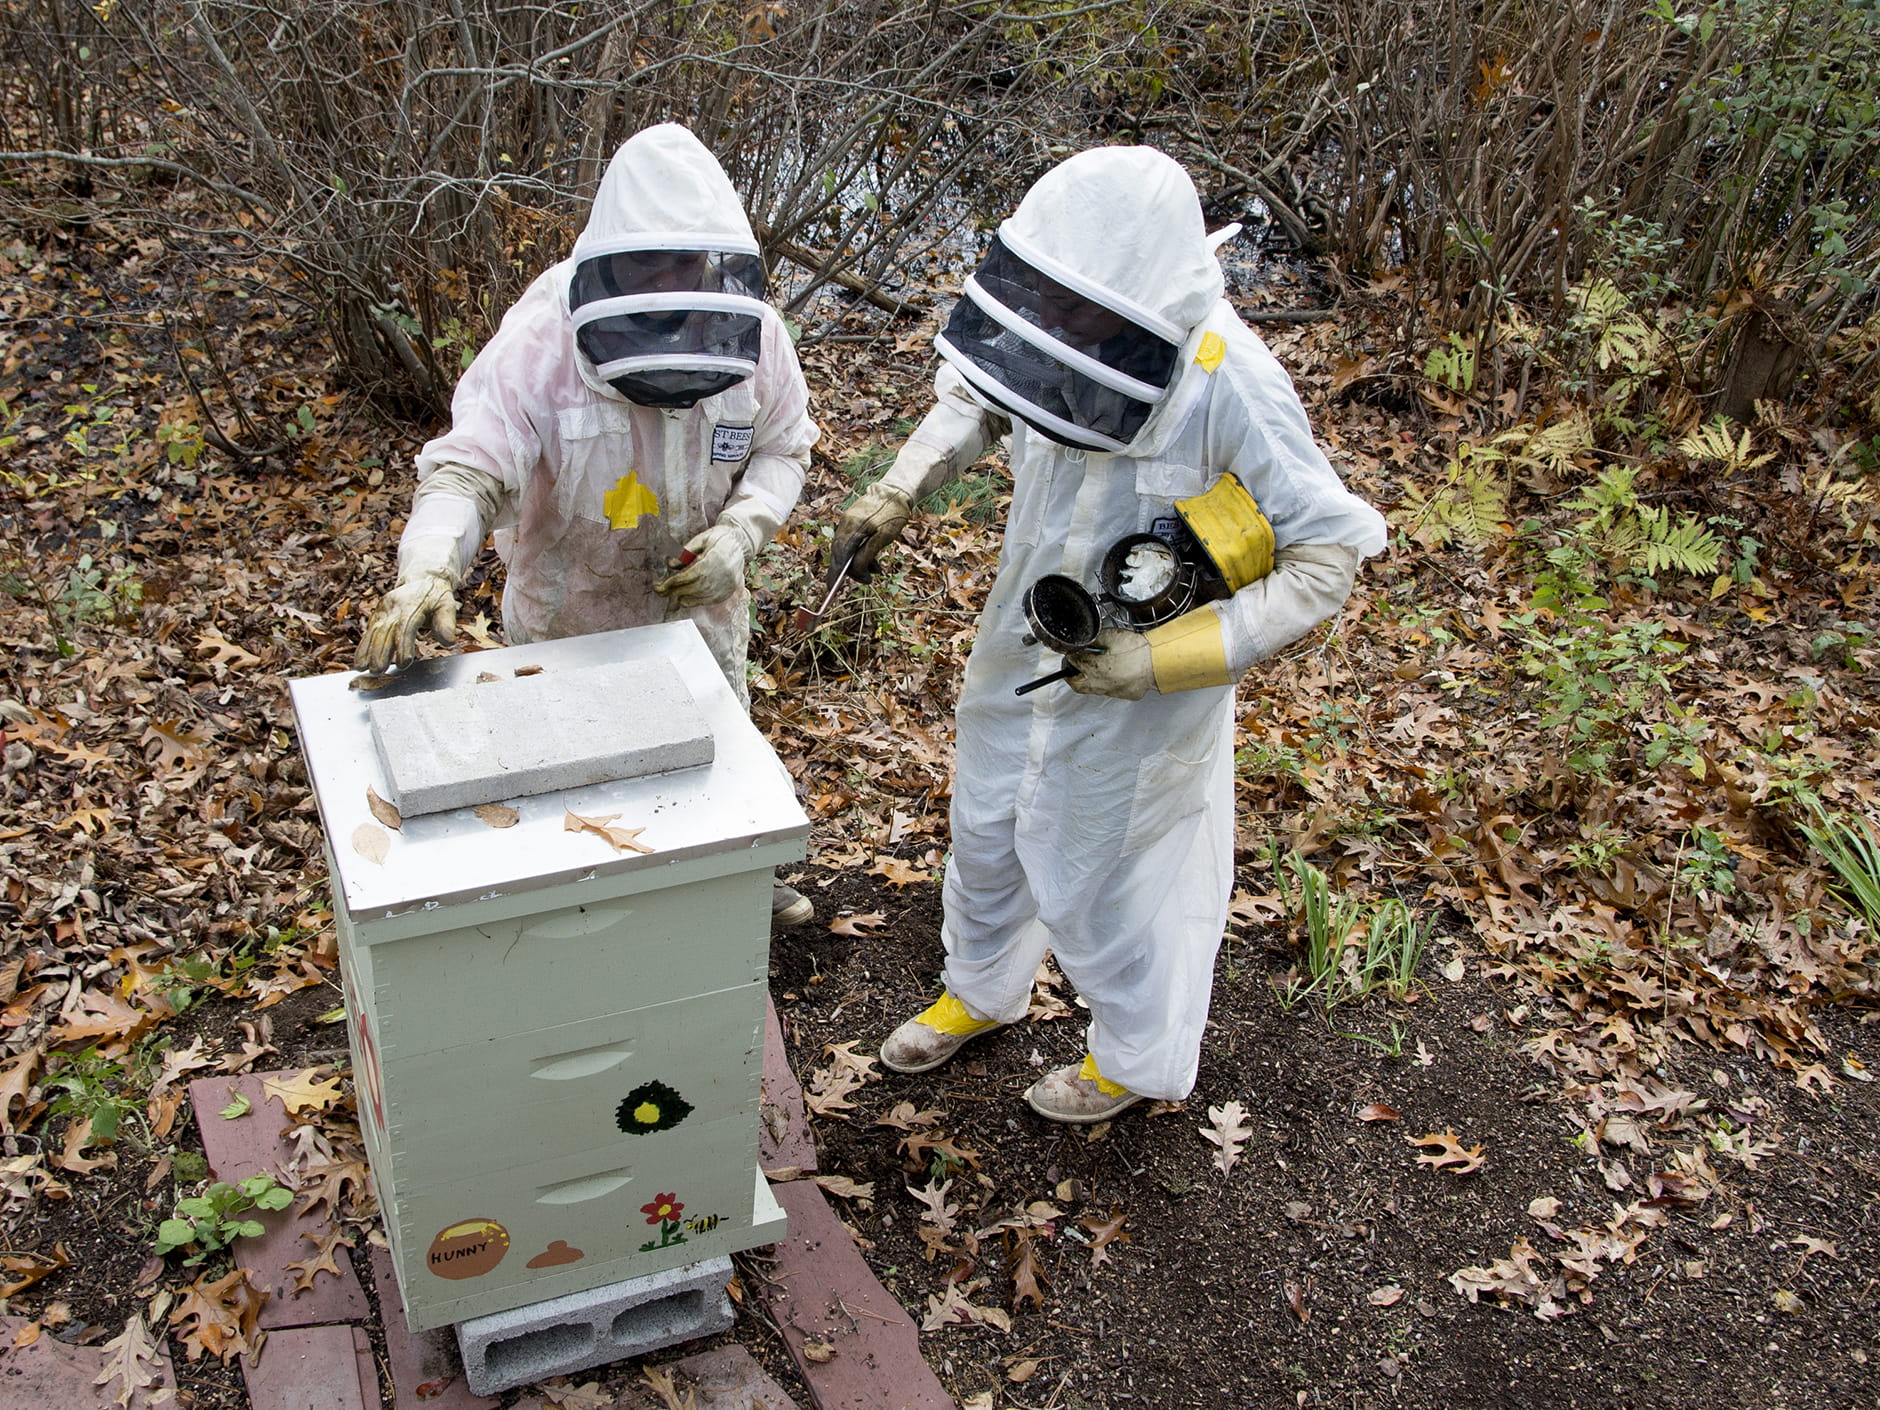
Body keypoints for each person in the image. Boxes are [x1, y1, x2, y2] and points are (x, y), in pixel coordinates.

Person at [834, 145, 1388, 1122]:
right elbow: (982, 392)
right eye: (1056, 307)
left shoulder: (1231, 382)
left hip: (1146, 684)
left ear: (1141, 307)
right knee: (987, 827)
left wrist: (1158, 660)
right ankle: (981, 991)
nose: (1063, 329)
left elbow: (1326, 555)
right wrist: (899, 484)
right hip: (1024, 633)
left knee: (1110, 882)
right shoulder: (1060, 313)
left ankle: (1132, 1061)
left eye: (1085, 318)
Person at [354, 122, 822, 928]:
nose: (670, 282)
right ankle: (592, 917)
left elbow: (785, 451)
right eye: (650, 266)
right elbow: (470, 467)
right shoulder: (540, 343)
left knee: (713, 759)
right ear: (609, 263)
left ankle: (732, 884)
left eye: (685, 264)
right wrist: (428, 567)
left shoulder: (753, 335)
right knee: (571, 786)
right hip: (568, 620)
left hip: (697, 615)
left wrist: (743, 535)